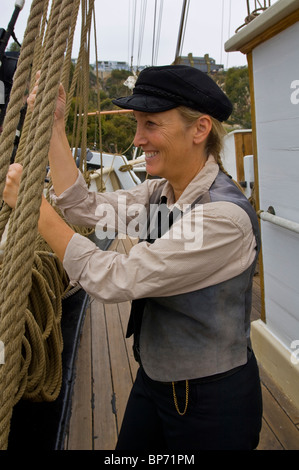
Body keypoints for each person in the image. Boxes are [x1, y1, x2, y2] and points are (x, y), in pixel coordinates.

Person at [3, 65, 262, 450]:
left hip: (210, 400)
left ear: (200, 129)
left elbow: (113, 278)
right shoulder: (161, 195)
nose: (138, 138)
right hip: (155, 378)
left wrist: (35, 210)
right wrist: (56, 127)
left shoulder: (221, 218)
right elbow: (83, 206)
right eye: (137, 123)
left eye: (151, 124)